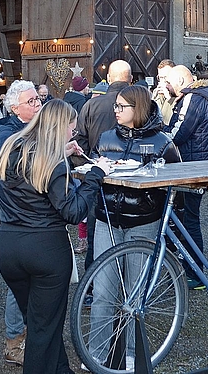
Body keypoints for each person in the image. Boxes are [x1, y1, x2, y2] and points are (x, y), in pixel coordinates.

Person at [0, 99, 111, 374]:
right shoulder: (53, 162)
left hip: (9, 246)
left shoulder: (11, 146)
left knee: (39, 322)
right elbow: (72, 212)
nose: (73, 133)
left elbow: (34, 170)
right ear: (60, 127)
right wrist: (95, 176)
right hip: (45, 249)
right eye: (71, 128)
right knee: (44, 327)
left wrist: (64, 153)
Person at [89, 85, 181, 366]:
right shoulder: (105, 138)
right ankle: (97, 353)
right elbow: (92, 172)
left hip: (143, 222)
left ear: (137, 108)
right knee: (103, 290)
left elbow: (175, 186)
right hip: (107, 220)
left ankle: (132, 353)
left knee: (136, 292)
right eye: (115, 106)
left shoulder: (163, 143)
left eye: (121, 107)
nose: (115, 111)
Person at [0, 80, 41, 366]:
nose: (37, 105)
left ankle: (26, 334)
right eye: (31, 101)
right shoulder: (7, 135)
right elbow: (11, 177)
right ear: (15, 108)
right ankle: (14, 342)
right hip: (18, 218)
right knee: (19, 281)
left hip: (32, 218)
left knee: (31, 280)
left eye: (37, 99)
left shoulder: (32, 130)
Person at [166, 64, 208, 289]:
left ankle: (195, 272)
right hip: (200, 164)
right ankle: (190, 268)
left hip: (192, 167)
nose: (166, 86)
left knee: (189, 219)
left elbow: (177, 133)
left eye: (168, 82)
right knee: (188, 217)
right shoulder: (203, 97)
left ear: (180, 81)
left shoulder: (191, 98)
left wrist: (157, 134)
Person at [75, 60, 132, 274]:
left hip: (97, 177)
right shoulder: (141, 105)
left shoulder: (91, 104)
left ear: (108, 79)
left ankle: (91, 290)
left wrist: (86, 170)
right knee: (130, 237)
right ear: (130, 80)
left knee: (95, 235)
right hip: (131, 181)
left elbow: (80, 142)